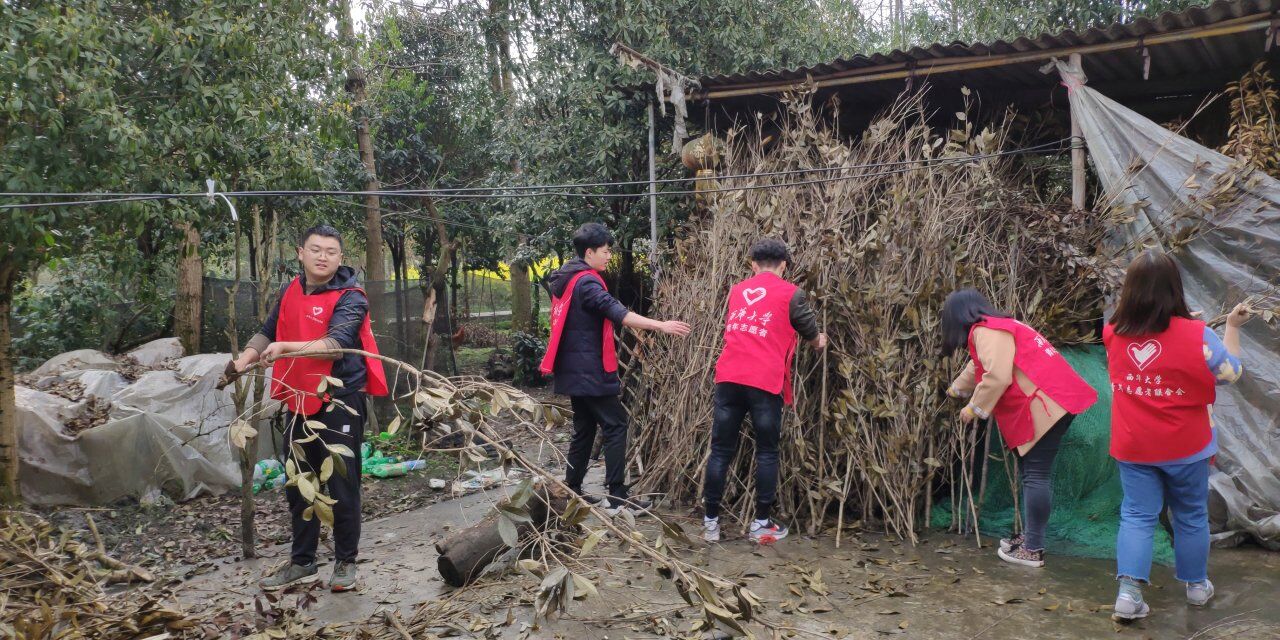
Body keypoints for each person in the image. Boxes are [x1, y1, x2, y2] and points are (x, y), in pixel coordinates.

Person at [232, 225, 388, 592]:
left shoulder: (352, 297)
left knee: (341, 482)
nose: (322, 256)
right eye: (315, 249)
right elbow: (268, 330)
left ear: (340, 258)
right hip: (298, 399)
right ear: (300, 253)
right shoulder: (290, 290)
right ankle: (303, 562)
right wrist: (243, 360)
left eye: (331, 251)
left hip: (339, 401)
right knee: (298, 483)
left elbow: (336, 345)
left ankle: (346, 562)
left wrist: (286, 348)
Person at [1104, 250, 1249, 621]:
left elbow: (1154, 337)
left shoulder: (1111, 332)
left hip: (1134, 444)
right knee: (1189, 516)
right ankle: (1197, 587)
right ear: (1174, 289)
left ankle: (1128, 595)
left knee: (1136, 515)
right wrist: (1230, 328)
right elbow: (1230, 373)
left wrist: (1184, 328)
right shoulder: (1199, 336)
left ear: (1130, 291)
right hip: (1187, 446)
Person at [541, 223, 690, 515]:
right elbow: (617, 312)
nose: (609, 256)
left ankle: (572, 490)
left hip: (572, 368)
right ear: (589, 252)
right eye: (606, 251)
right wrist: (660, 325)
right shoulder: (587, 282)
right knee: (616, 425)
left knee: (584, 429)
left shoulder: (567, 278)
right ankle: (618, 496)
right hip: (590, 369)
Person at [943, 288, 1097, 567]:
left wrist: (972, 408)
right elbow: (979, 365)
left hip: (1046, 405)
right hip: (1055, 400)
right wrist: (956, 389)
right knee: (1032, 473)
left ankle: (1033, 548)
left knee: (1035, 475)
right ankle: (1030, 538)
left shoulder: (986, 331)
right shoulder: (999, 326)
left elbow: (997, 375)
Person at [702, 239, 827, 544]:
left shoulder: (735, 291)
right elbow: (813, 338)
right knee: (767, 451)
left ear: (753, 265)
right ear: (784, 265)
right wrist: (821, 339)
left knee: (720, 450)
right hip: (764, 382)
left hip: (729, 377)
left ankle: (710, 525)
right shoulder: (792, 294)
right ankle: (760, 525)